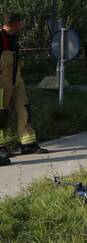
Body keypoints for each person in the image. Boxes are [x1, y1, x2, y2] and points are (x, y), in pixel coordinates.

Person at [0, 13, 48, 165]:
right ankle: (1, 147)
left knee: (24, 109)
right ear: (14, 23)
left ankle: (28, 144)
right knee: (1, 114)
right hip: (2, 83)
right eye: (21, 22)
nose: (22, 25)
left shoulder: (13, 38)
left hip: (16, 81)